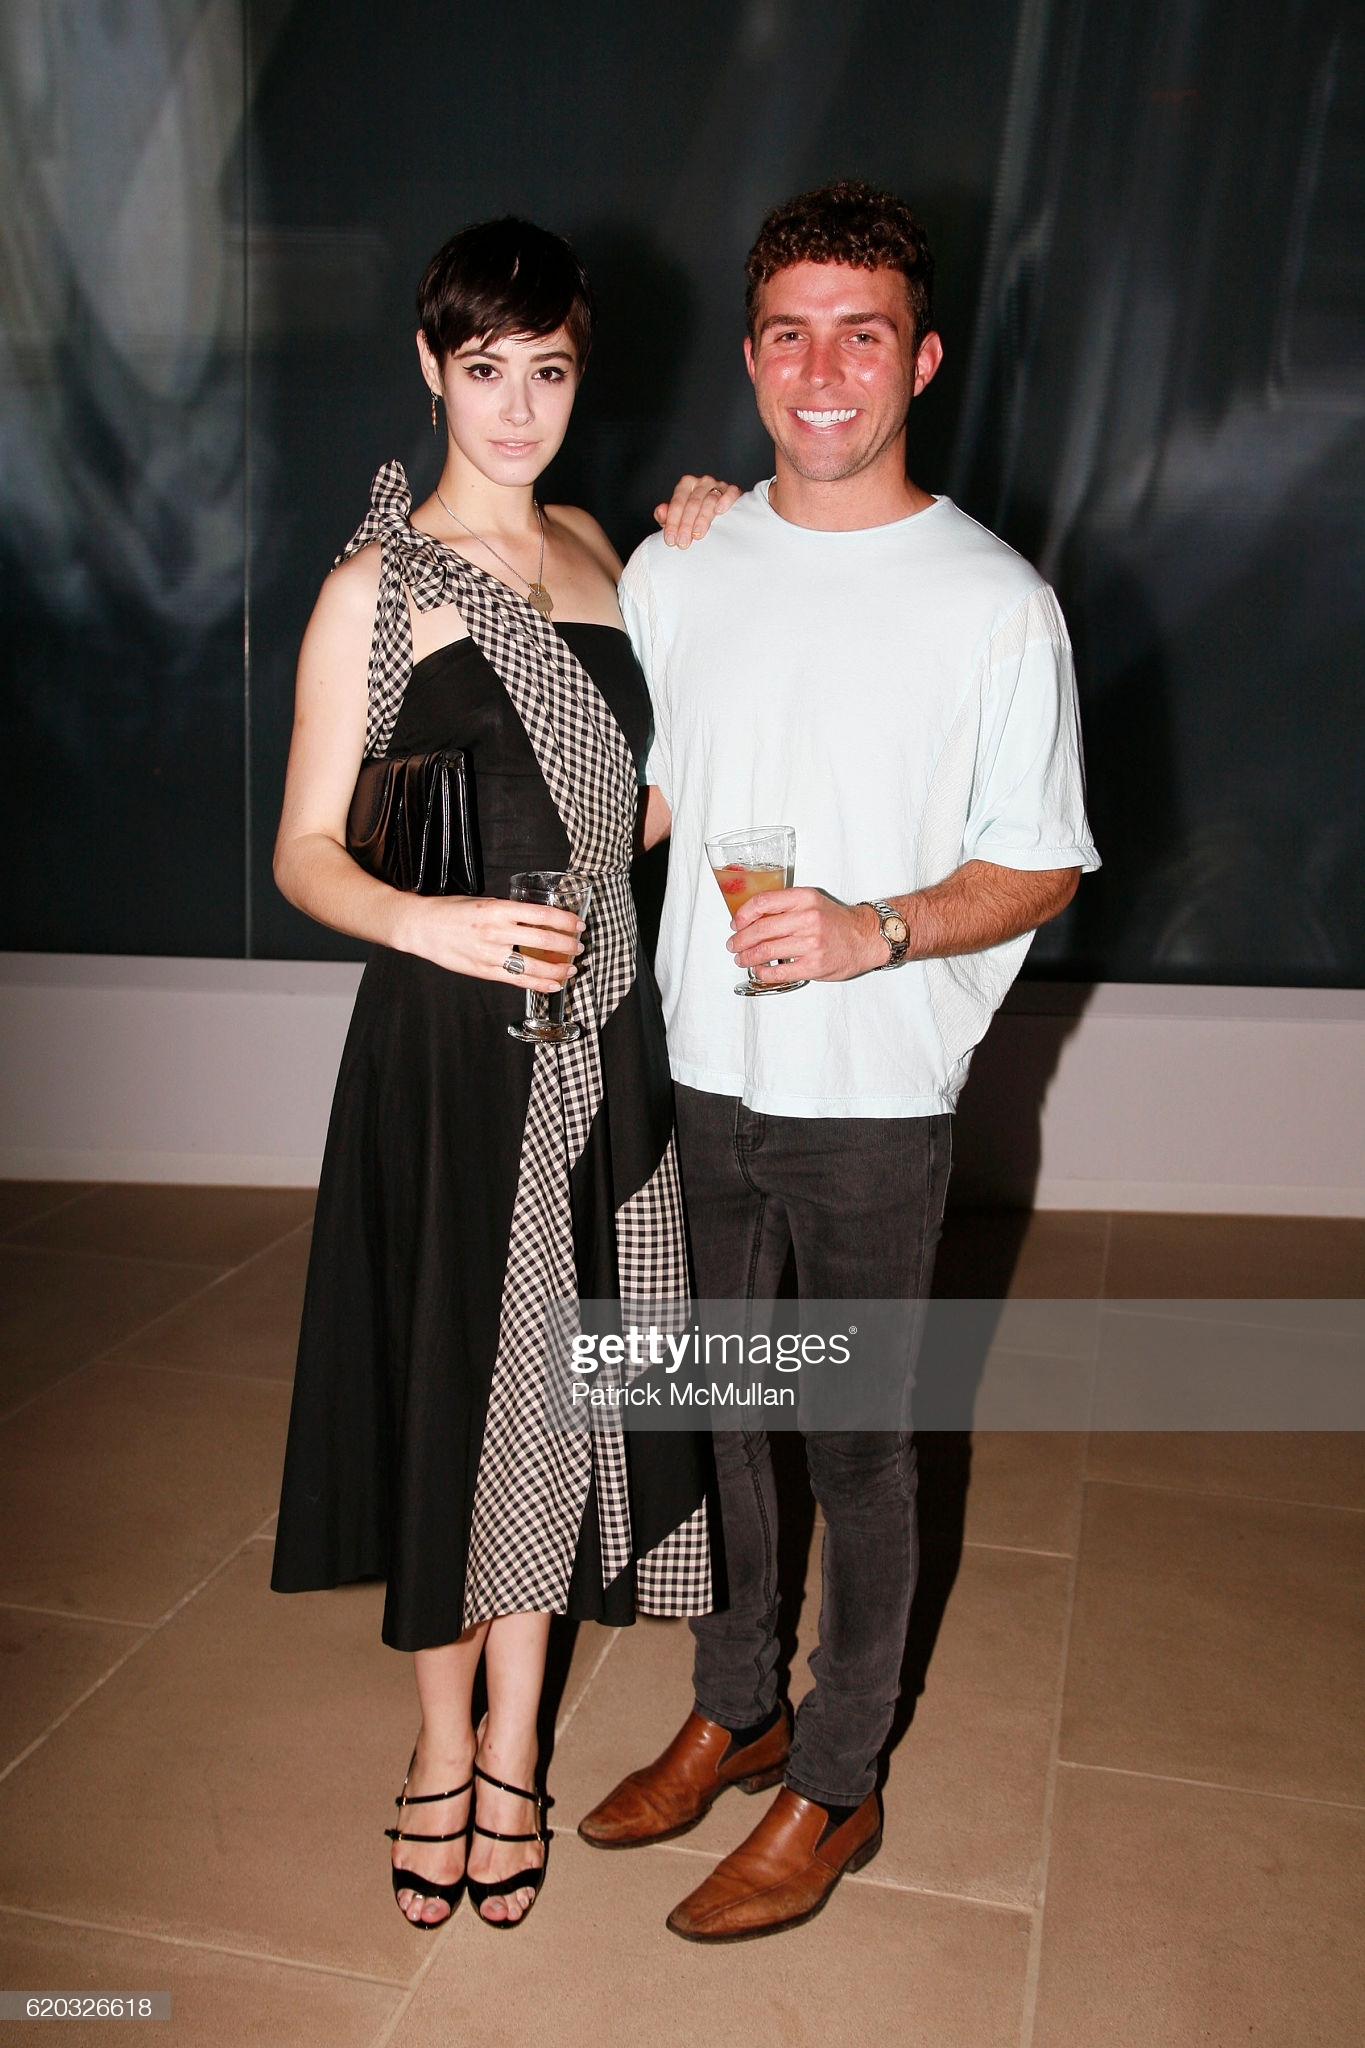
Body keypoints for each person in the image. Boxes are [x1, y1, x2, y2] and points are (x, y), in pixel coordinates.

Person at [578, 180, 1100, 1942]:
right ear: (747, 359)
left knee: (856, 1448)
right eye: (788, 335)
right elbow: (652, 785)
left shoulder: (995, 602)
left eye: (859, 336)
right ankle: (735, 1707)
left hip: (872, 1098)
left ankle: (837, 1775)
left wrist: (875, 928)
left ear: (921, 360)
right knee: (723, 1412)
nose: (821, 371)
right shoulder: (682, 562)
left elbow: (1040, 859)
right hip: (702, 1067)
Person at [269, 216, 738, 1930]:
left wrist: (720, 553)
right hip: (449, 1051)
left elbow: (632, 813)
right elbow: (303, 851)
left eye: (548, 370)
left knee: (558, 1395)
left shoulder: (603, 548)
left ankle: (516, 1749)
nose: (519, 407)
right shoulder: (376, 589)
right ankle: (434, 1746)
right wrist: (429, 922)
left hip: (600, 1038)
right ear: (430, 368)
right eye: (486, 370)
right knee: (455, 1389)